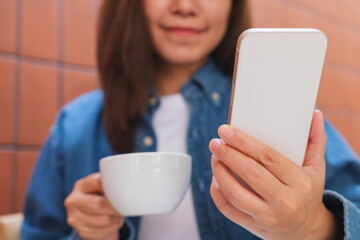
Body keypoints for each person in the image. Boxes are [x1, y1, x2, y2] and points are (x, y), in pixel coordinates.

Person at [21, 0, 360, 239]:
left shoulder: (278, 111)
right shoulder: (75, 127)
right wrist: (90, 236)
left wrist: (314, 227)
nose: (185, 5)